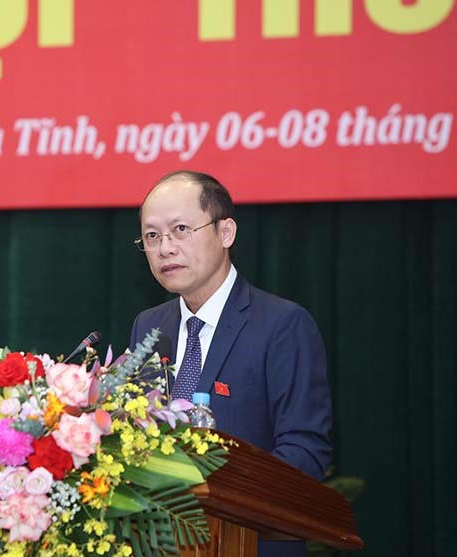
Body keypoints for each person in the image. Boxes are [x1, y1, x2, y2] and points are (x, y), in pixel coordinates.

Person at [129, 170, 333, 557]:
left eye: (180, 230)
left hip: (250, 543)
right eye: (152, 236)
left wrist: (216, 490)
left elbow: (306, 451)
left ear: (225, 232)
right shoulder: (149, 327)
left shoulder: (282, 325)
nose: (165, 248)